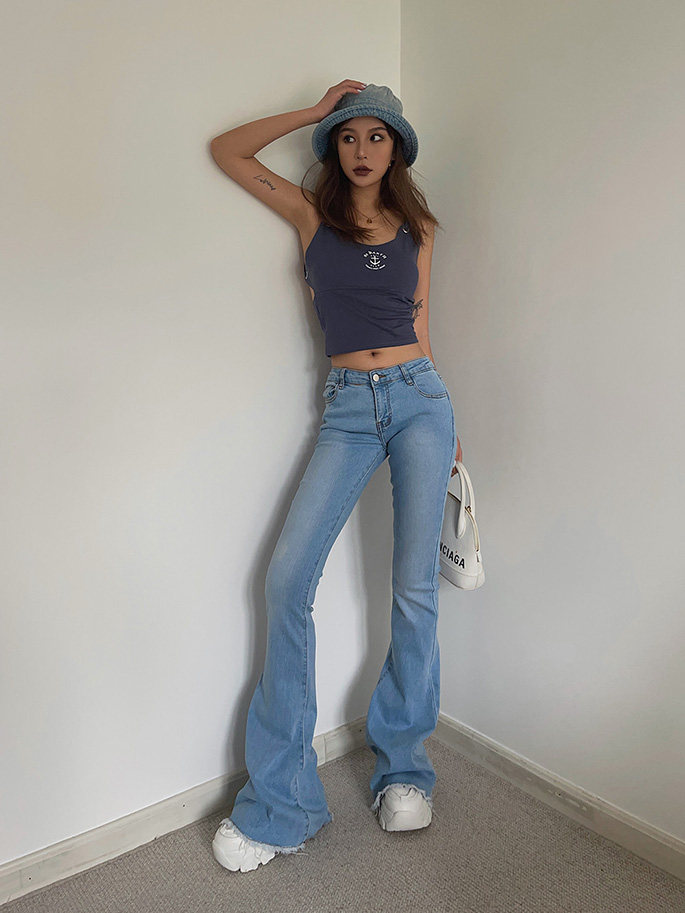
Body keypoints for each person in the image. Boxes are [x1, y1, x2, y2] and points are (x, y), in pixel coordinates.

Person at [208, 80, 463, 873]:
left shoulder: (419, 226)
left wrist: (453, 433)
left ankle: (404, 769)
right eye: (348, 137)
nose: (360, 150)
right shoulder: (308, 216)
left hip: (421, 401)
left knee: (412, 589)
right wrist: (315, 111)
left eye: (375, 136)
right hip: (349, 406)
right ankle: (282, 801)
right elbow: (227, 151)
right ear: (333, 147)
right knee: (287, 581)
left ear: (397, 148)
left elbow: (420, 325)